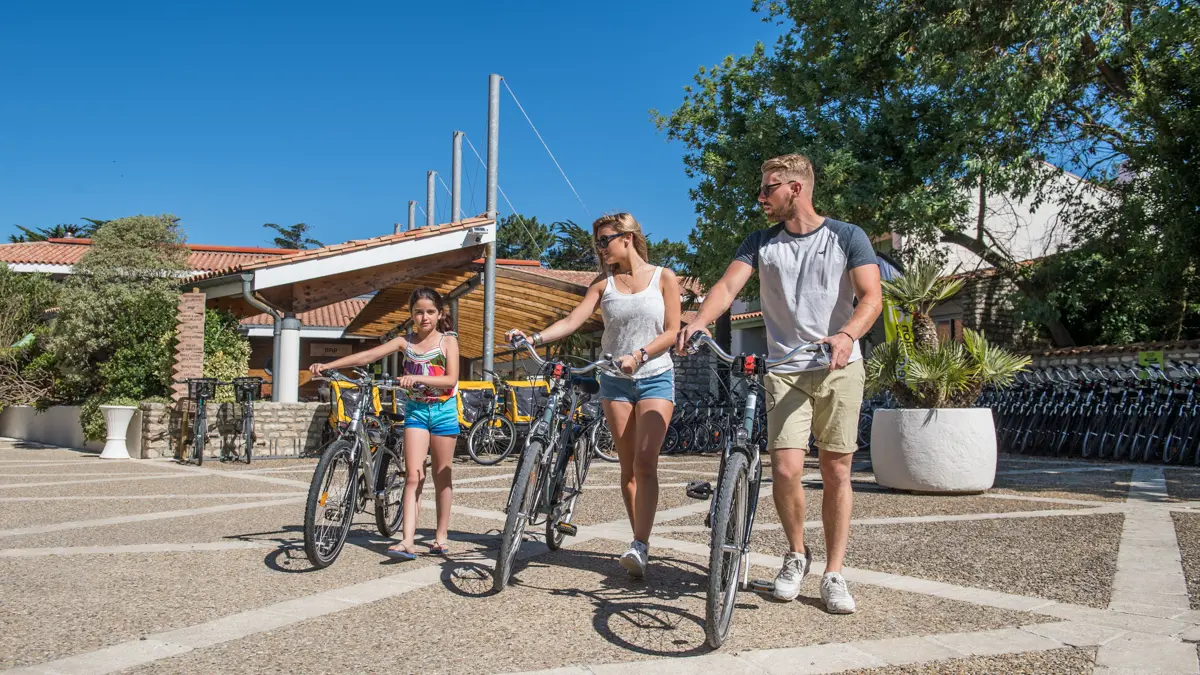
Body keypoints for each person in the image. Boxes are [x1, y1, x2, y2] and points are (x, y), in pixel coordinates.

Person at [677, 153, 882, 613]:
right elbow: (727, 288)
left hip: (837, 366)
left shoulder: (847, 236)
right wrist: (701, 321)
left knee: (836, 471)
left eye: (768, 188)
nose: (761, 198)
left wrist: (848, 334)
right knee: (787, 470)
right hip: (785, 369)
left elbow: (872, 297)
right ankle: (795, 555)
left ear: (796, 188)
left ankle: (834, 572)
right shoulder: (760, 243)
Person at [507, 212, 681, 578]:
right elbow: (572, 321)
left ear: (628, 237)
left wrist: (640, 354)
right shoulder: (603, 285)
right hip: (614, 381)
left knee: (646, 462)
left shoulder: (663, 277)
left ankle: (640, 544)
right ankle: (639, 545)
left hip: (654, 376)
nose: (599, 248)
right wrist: (533, 338)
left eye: (605, 240)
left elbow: (671, 331)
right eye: (597, 242)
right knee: (628, 465)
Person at [310, 286, 460, 560]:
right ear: (411, 315)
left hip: (444, 412)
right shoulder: (406, 342)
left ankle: (441, 536)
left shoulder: (448, 341)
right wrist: (330, 365)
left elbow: (450, 380)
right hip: (416, 412)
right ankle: (407, 541)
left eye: (429, 312)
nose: (424, 317)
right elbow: (369, 356)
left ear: (439, 314)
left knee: (442, 476)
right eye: (418, 312)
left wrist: (418, 379)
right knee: (413, 475)